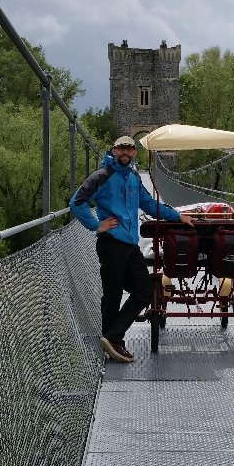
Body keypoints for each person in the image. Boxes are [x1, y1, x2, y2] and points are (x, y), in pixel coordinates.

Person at [69, 135, 193, 363]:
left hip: (130, 245)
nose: (125, 152)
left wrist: (177, 216)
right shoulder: (102, 176)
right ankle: (115, 345)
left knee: (144, 292)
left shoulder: (134, 178)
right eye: (121, 149)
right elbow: (76, 202)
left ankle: (111, 337)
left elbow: (149, 204)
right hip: (111, 243)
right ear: (113, 151)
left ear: (134, 153)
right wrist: (97, 225)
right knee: (113, 294)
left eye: (130, 149)